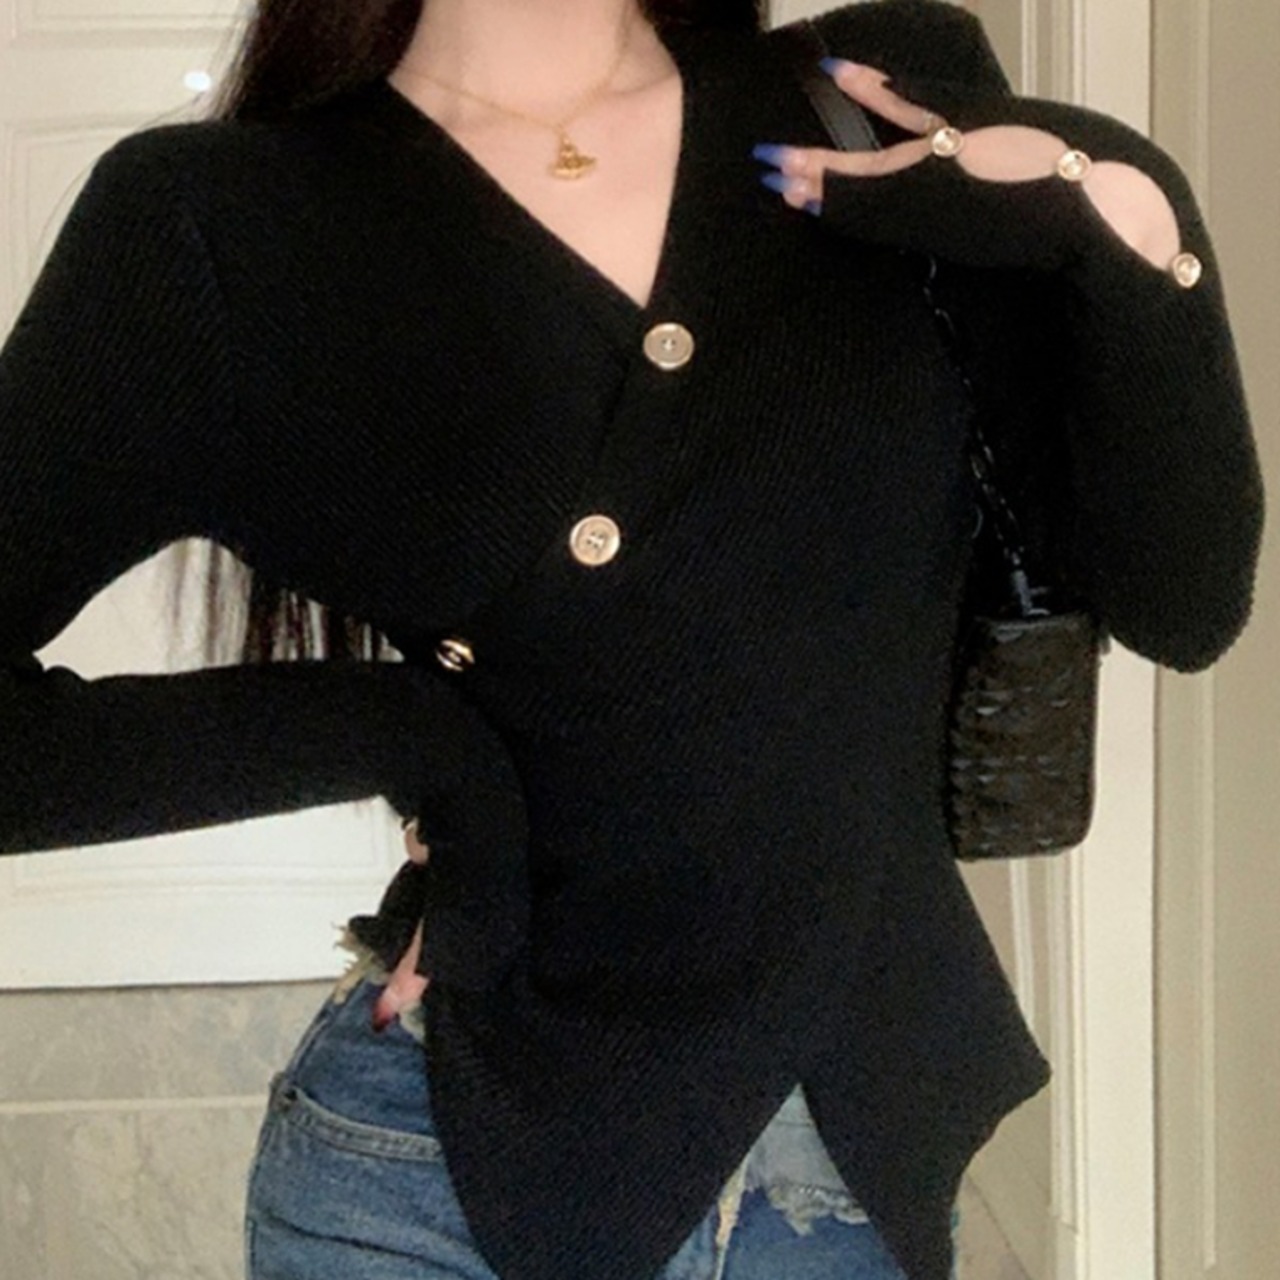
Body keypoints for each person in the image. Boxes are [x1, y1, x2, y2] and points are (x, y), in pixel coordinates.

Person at [0, 0, 1264, 1277]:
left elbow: (1180, 598)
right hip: (430, 1171)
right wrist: (409, 731)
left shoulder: (874, 96)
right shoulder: (214, 222)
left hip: (832, 1169)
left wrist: (1123, 206)